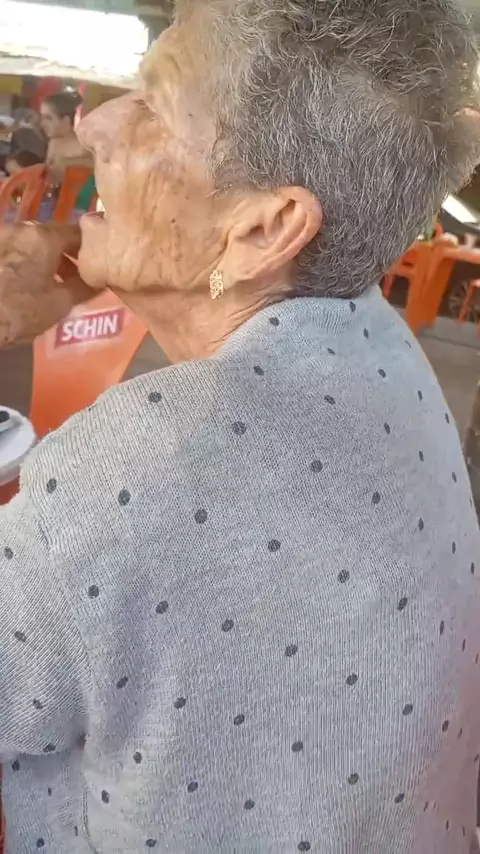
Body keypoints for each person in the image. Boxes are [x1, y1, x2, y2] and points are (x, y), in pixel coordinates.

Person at [0, 1, 480, 852]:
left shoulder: (128, 469)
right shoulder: (381, 349)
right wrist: (120, 245)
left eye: (153, 106)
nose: (95, 121)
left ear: (268, 225)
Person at [40, 89, 93, 184]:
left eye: (49, 118)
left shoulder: (83, 147)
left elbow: (92, 181)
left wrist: (68, 162)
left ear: (66, 120)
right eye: (42, 118)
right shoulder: (53, 143)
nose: (43, 123)